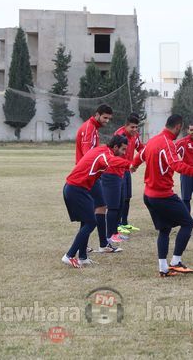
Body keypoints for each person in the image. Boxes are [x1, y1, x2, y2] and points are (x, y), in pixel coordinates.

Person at [132, 114, 193, 277]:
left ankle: (163, 268)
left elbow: (140, 156)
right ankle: (175, 262)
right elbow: (176, 165)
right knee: (188, 223)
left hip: (148, 195)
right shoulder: (167, 143)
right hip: (162, 195)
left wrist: (133, 165)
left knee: (164, 229)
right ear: (177, 127)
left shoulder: (153, 141)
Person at [62, 135, 131, 268]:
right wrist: (130, 164)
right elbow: (109, 161)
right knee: (91, 222)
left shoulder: (102, 150)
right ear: (115, 147)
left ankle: (83, 257)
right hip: (76, 189)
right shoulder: (105, 154)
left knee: (86, 222)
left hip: (77, 188)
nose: (123, 153)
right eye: (122, 149)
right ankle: (69, 255)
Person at [75, 104, 114, 253]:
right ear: (97, 114)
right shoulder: (89, 128)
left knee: (91, 208)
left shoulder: (92, 128)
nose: (107, 121)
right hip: (88, 175)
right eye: (105, 117)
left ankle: (85, 245)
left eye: (109, 118)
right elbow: (88, 155)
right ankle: (102, 244)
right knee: (100, 206)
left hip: (89, 174)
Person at [114, 114, 145, 234]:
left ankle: (124, 223)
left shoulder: (135, 135)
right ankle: (116, 225)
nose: (134, 129)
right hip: (118, 169)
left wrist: (148, 153)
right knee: (119, 198)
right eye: (132, 127)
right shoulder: (119, 135)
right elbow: (114, 153)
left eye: (136, 127)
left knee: (127, 197)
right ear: (126, 126)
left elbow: (140, 148)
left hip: (127, 169)